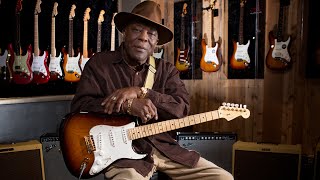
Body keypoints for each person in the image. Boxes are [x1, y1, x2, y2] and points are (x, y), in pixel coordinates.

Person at [70, 1, 233, 179]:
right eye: (137, 30)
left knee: (223, 177)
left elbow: (182, 108)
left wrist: (143, 92)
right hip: (122, 157)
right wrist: (127, 106)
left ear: (156, 42)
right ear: (125, 32)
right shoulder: (99, 64)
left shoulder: (167, 70)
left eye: (151, 34)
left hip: (165, 149)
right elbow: (80, 108)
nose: (143, 38)